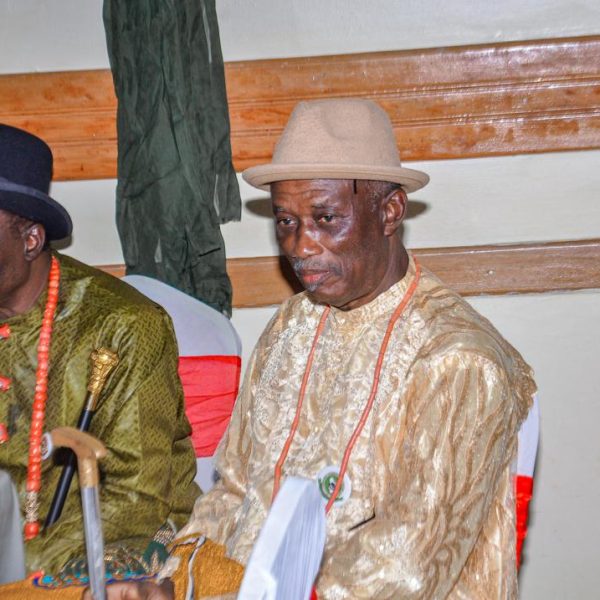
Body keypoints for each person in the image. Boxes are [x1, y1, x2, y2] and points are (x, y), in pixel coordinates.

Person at [107, 98, 536, 599]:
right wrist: (172, 583)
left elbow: (403, 570)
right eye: (286, 222)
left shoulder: (457, 361)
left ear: (390, 211)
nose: (301, 246)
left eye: (326, 218)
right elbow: (235, 493)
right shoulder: (292, 325)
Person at [0, 124, 199, 579]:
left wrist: (12, 565)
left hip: (115, 538)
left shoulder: (125, 326)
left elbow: (135, 497)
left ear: (30, 240)